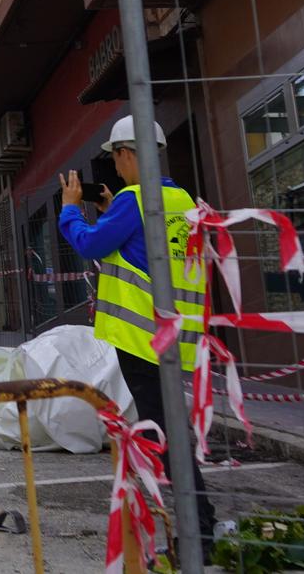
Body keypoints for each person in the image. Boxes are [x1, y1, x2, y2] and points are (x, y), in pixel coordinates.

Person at [58, 115, 215, 541]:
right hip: (179, 337)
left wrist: (71, 209)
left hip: (142, 338)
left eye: (116, 158)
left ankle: (197, 529)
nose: (116, 167)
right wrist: (112, 213)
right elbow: (148, 248)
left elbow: (89, 243)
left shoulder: (134, 198)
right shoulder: (183, 201)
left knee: (164, 433)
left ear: (127, 154)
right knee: (170, 427)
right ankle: (197, 522)